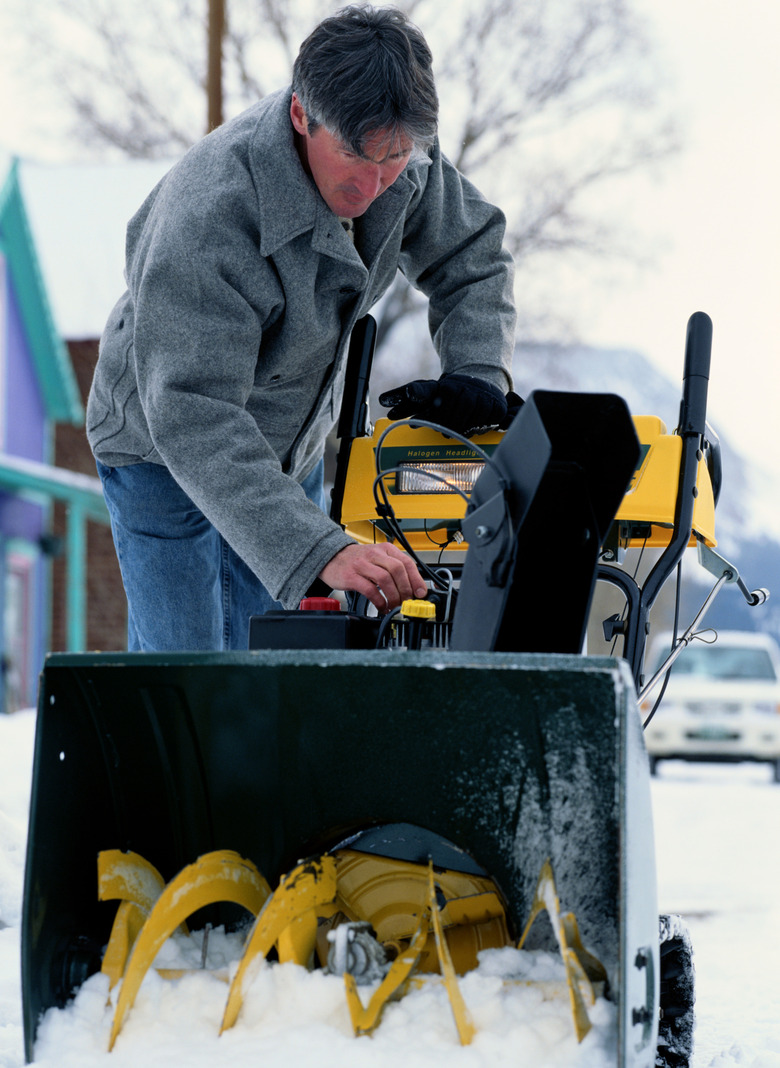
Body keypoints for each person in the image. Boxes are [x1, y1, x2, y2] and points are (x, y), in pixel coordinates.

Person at [87, 3, 517, 652]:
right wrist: (319, 547)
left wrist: (478, 372)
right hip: (164, 446)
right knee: (188, 671)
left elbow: (473, 256)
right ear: (300, 116)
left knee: (281, 658)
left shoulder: (405, 161)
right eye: (356, 155)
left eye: (396, 156)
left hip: (291, 443)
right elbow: (193, 411)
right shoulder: (209, 218)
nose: (375, 182)